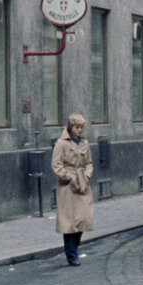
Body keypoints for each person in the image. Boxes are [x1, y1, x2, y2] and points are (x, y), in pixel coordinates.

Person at [52, 113, 94, 266]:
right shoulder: (61, 144)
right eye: (77, 127)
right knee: (69, 222)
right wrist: (69, 177)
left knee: (82, 218)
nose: (79, 130)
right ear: (70, 127)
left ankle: (75, 249)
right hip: (68, 187)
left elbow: (89, 162)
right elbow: (56, 165)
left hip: (82, 183)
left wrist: (87, 176)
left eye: (81, 128)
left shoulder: (85, 143)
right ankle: (71, 255)